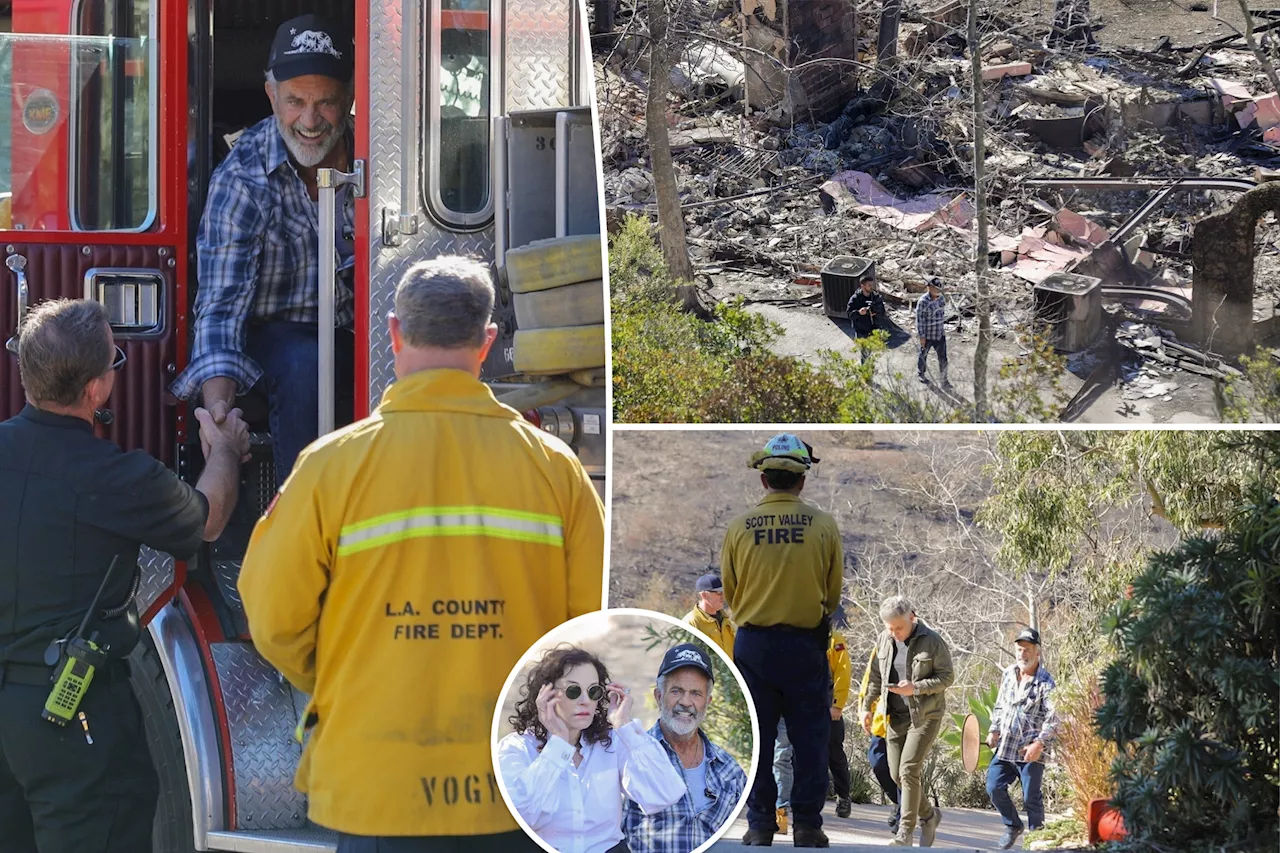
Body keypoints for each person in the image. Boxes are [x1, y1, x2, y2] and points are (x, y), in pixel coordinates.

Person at [238, 257, 605, 852]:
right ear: (487, 341)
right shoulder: (556, 471)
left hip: (377, 790)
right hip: (518, 792)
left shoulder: (330, 468)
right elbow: (589, 628)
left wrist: (350, 674)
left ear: (394, 333)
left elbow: (274, 618)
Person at [0, 298, 246, 851]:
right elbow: (208, 520)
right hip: (72, 717)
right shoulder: (117, 477)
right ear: (96, 390)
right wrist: (225, 450)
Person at [171, 14, 359, 486]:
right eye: (295, 101)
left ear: (353, 95)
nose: (311, 121)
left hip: (361, 331)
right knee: (303, 363)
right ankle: (301, 519)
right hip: (275, 336)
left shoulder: (382, 160)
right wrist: (217, 411)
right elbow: (221, 308)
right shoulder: (242, 176)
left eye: (326, 103)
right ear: (272, 95)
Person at [722, 434, 843, 848]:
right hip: (806, 646)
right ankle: (807, 825)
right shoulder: (824, 526)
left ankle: (759, 826)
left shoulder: (739, 528)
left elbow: (732, 593)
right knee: (809, 740)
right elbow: (832, 595)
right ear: (802, 482)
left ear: (764, 481)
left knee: (758, 739)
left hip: (754, 647)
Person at [498, 646, 685, 853]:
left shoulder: (612, 742)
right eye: (573, 690)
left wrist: (624, 724)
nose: (585, 701)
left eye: (594, 691)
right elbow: (520, 816)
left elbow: (666, 794)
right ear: (546, 696)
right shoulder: (517, 748)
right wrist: (559, 744)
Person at [623, 643, 748, 853]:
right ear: (659, 696)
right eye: (676, 691)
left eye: (696, 694)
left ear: (707, 702)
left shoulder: (729, 770)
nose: (686, 702)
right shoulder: (629, 758)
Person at [862, 596, 954, 848]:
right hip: (894, 716)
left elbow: (947, 677)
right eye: (889, 628)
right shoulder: (884, 639)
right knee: (896, 774)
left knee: (908, 770)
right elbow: (874, 677)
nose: (894, 633)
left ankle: (905, 832)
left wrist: (915, 688)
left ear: (912, 617)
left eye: (898, 628)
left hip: (925, 716)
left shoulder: (932, 641)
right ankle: (929, 815)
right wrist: (866, 708)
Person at [986, 628, 1058, 850]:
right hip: (1005, 748)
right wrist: (993, 729)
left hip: (1029, 752)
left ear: (1037, 653)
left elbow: (1055, 717)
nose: (1022, 654)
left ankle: (1037, 843)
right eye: (1019, 649)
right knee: (993, 787)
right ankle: (1013, 825)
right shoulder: (1008, 673)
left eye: (1027, 649)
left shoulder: (1046, 682)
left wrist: (1039, 744)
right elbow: (999, 705)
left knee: (1031, 799)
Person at [856, 645, 901, 832]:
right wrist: (864, 709)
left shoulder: (923, 642)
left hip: (908, 719)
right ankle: (900, 803)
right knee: (878, 762)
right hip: (882, 718)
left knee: (902, 768)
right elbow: (871, 678)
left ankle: (904, 815)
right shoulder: (882, 645)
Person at [826, 614, 854, 819]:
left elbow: (842, 674)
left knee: (834, 754)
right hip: (804, 707)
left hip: (829, 707)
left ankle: (843, 797)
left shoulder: (835, 640)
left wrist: (837, 705)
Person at [683, 573, 735, 659]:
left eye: (723, 592)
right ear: (704, 595)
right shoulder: (691, 623)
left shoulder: (726, 620)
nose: (723, 597)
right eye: (718, 593)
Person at [915, 278, 949, 387]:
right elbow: (920, 320)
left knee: (943, 358)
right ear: (929, 288)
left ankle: (944, 379)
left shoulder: (941, 299)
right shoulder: (923, 301)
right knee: (923, 355)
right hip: (928, 334)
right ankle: (921, 373)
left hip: (939, 334)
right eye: (935, 288)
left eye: (939, 288)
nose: (938, 290)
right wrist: (922, 336)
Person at [846, 275, 886, 362]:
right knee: (864, 353)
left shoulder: (875, 297)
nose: (872, 287)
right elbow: (849, 314)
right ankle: (864, 371)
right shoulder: (855, 298)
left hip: (873, 329)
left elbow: (882, 312)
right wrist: (859, 313)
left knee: (870, 351)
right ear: (862, 286)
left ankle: (867, 368)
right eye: (869, 285)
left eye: (872, 285)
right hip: (861, 329)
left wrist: (875, 313)